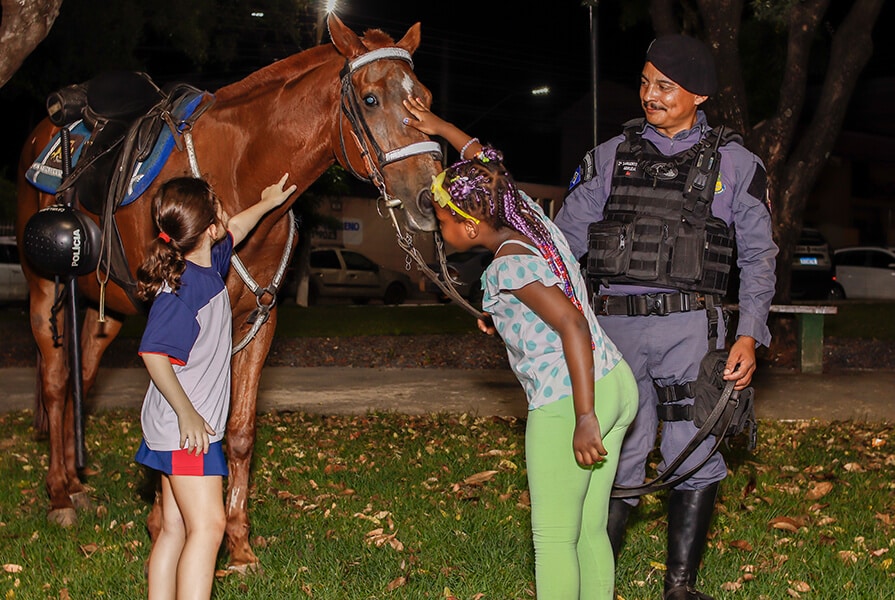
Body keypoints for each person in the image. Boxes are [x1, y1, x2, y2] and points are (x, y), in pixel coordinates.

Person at [553, 35, 778, 600]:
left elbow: (758, 256)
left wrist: (749, 334)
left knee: (691, 447)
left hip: (691, 331)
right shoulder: (608, 157)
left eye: (665, 86)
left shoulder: (736, 165)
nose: (649, 95)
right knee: (617, 451)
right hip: (615, 330)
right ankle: (592, 579)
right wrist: (517, 298)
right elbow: (561, 244)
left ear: (698, 94)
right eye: (646, 81)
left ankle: (680, 588)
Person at [404, 96, 639, 600]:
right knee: (589, 530)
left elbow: (572, 325)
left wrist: (583, 417)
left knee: (553, 540)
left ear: (470, 226)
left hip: (570, 399)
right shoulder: (527, 218)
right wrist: (441, 126)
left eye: (444, 221)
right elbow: (488, 166)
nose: (440, 230)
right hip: (616, 380)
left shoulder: (505, 269)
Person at [134, 174, 296, 600]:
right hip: (187, 431)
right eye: (219, 208)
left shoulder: (207, 261)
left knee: (175, 527)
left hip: (172, 426)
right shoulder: (185, 290)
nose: (227, 213)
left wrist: (266, 202)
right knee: (209, 528)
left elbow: (237, 227)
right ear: (208, 227)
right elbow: (153, 354)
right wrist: (188, 413)